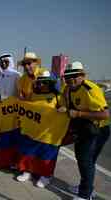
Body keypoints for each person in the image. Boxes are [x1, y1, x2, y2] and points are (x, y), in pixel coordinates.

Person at [61, 61, 110, 200]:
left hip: (97, 129)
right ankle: (86, 188)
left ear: (82, 75)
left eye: (75, 76)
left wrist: (78, 114)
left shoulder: (90, 89)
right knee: (86, 161)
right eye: (67, 76)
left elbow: (105, 114)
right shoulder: (68, 88)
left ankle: (85, 195)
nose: (71, 79)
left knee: (85, 161)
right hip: (83, 128)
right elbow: (65, 104)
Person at [15, 70, 62, 188]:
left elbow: (64, 110)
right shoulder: (34, 94)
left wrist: (63, 110)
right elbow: (27, 106)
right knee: (29, 152)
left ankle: (46, 175)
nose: (41, 85)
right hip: (34, 130)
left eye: (44, 82)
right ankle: (28, 171)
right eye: (39, 82)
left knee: (47, 155)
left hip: (49, 133)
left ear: (50, 83)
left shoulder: (58, 96)